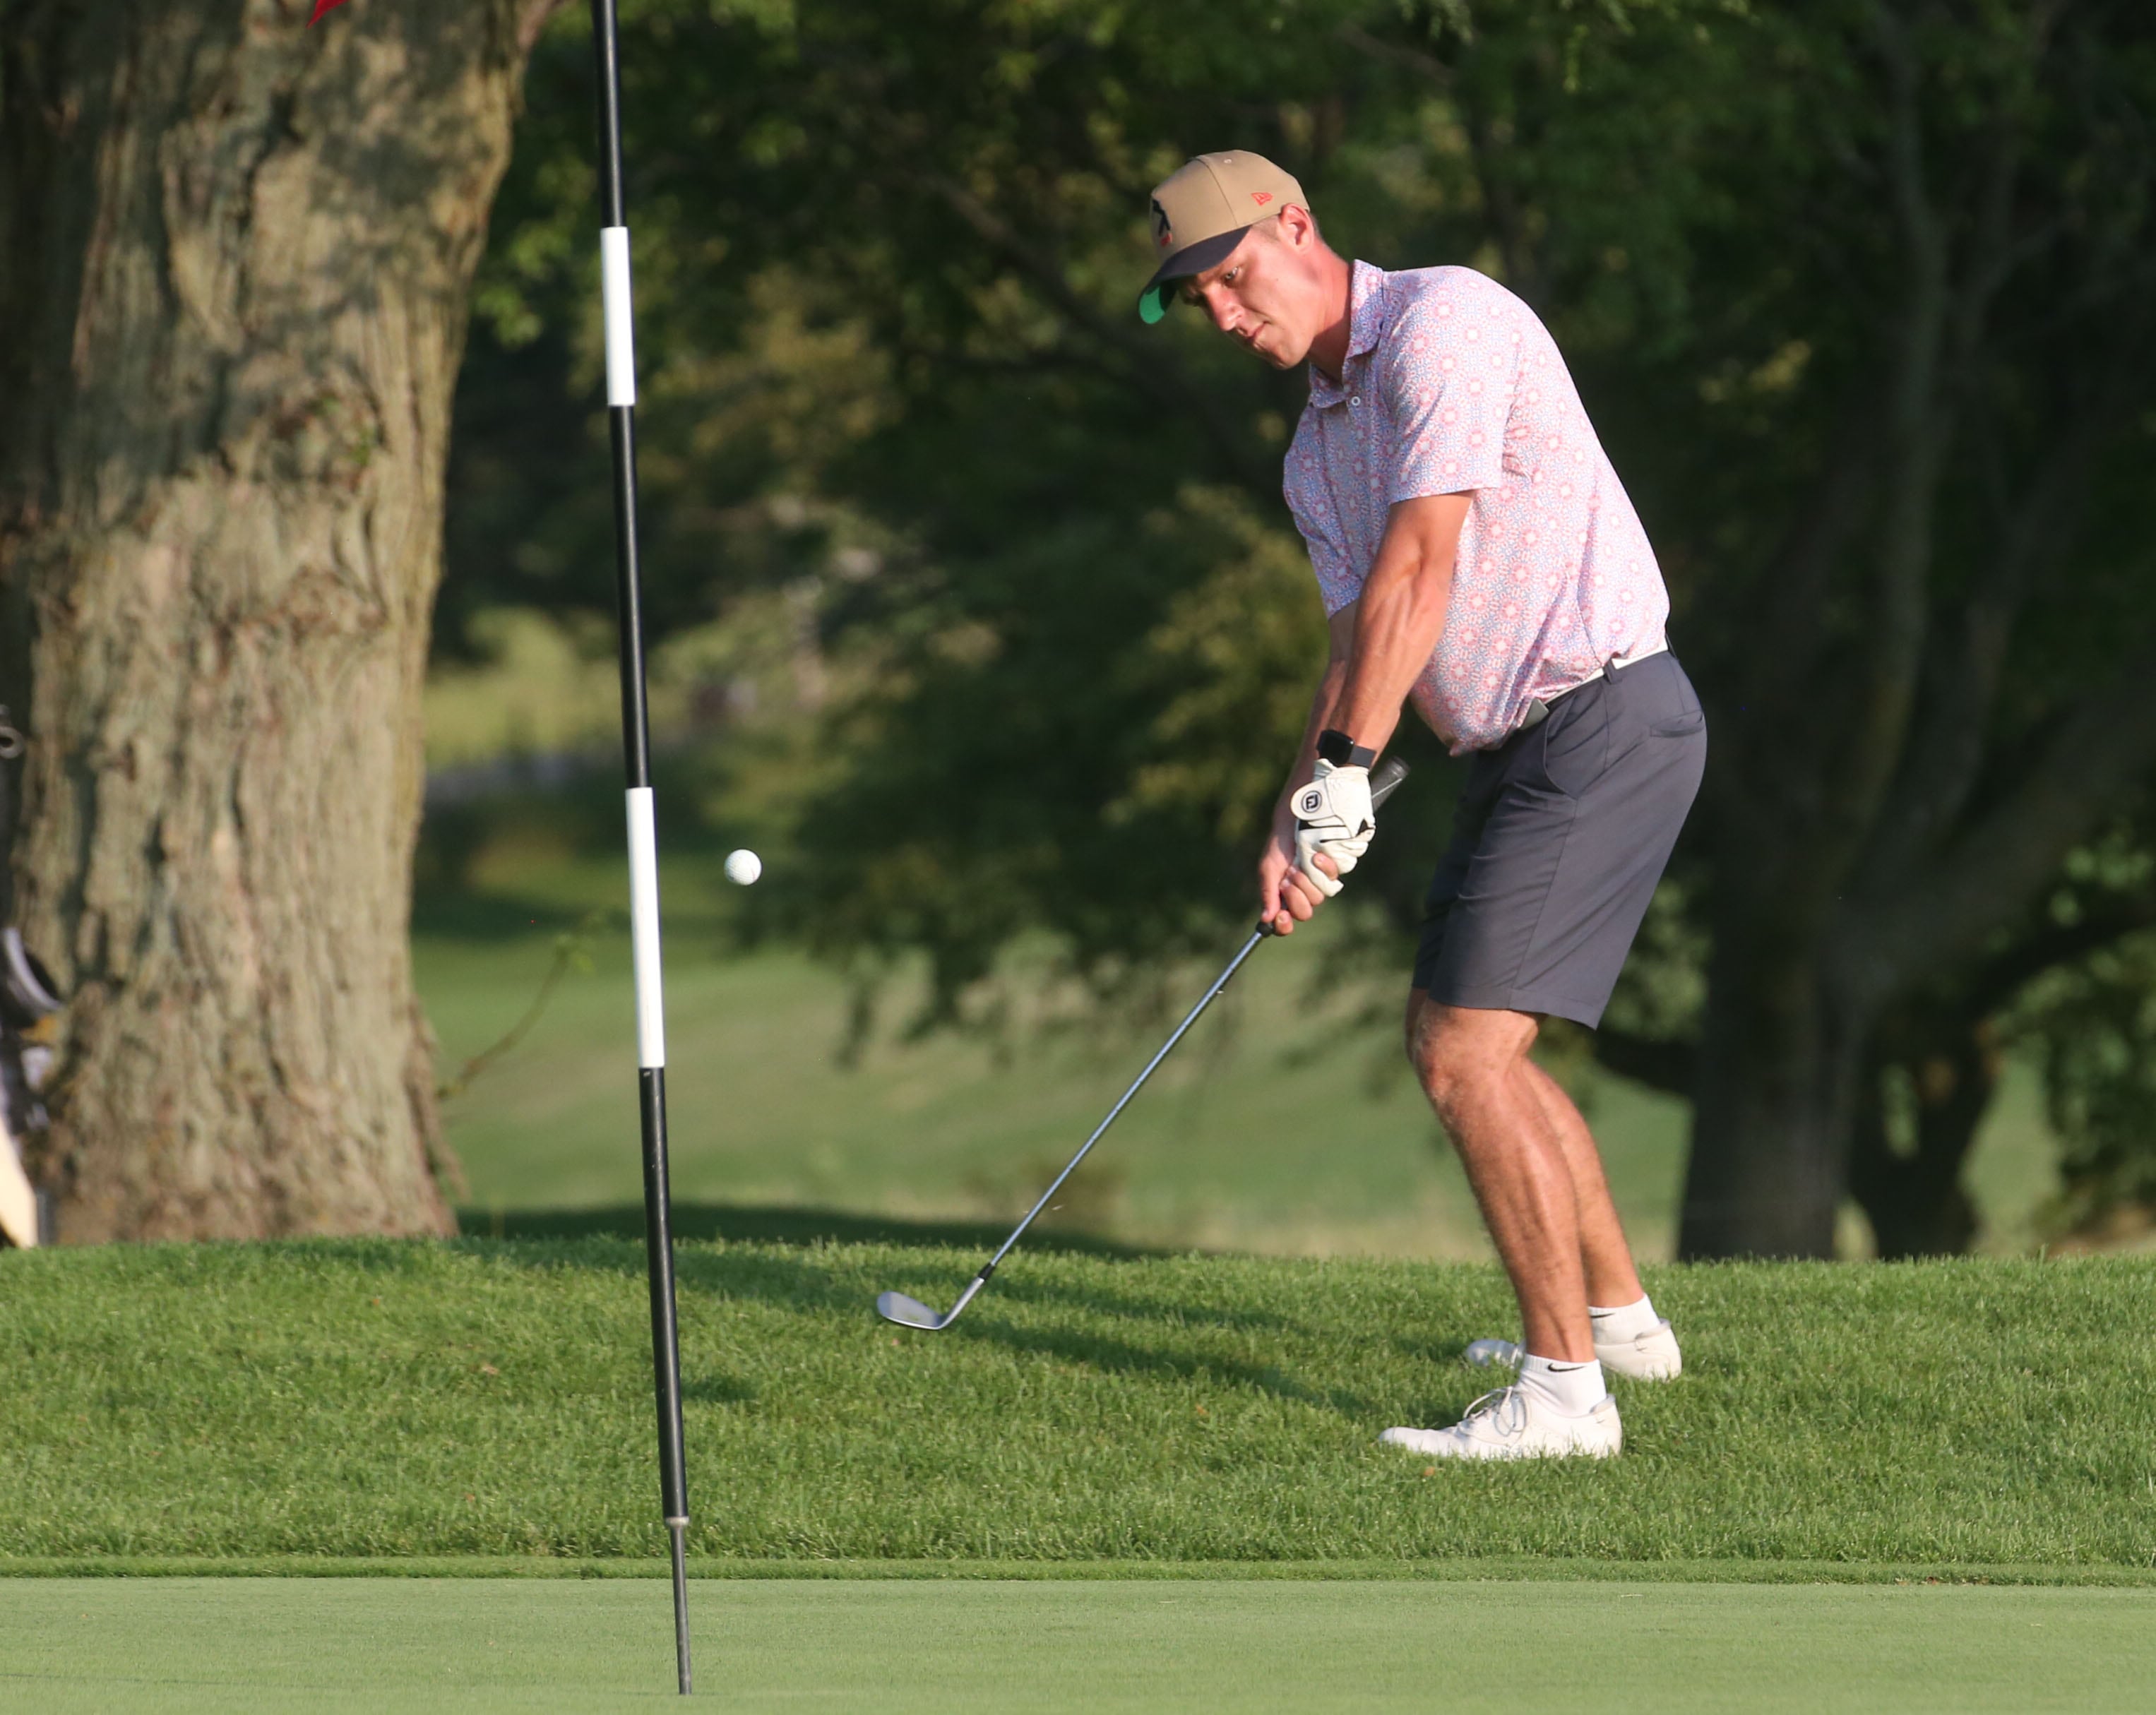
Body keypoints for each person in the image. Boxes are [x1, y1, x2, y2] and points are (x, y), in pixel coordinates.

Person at [1138, 152, 1707, 1460]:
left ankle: (1564, 1398)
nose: (1226, 316)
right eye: (1197, 303)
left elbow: (1423, 559)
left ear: (1296, 225)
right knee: (1461, 1042)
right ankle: (1616, 1322)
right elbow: (1355, 642)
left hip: (1604, 713)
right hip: (1518, 746)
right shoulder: (1312, 452)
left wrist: (1348, 767)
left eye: (1232, 278)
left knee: (1461, 1053)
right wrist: (1296, 811)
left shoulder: (1442, 325)